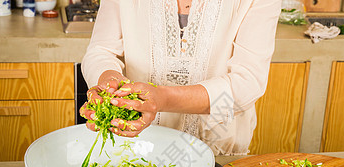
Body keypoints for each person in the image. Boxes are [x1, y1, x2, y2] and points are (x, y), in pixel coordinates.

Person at [81, 0, 281, 155]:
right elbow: (101, 51)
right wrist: (109, 81)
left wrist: (162, 99)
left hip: (218, 154)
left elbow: (248, 82)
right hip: (133, 149)